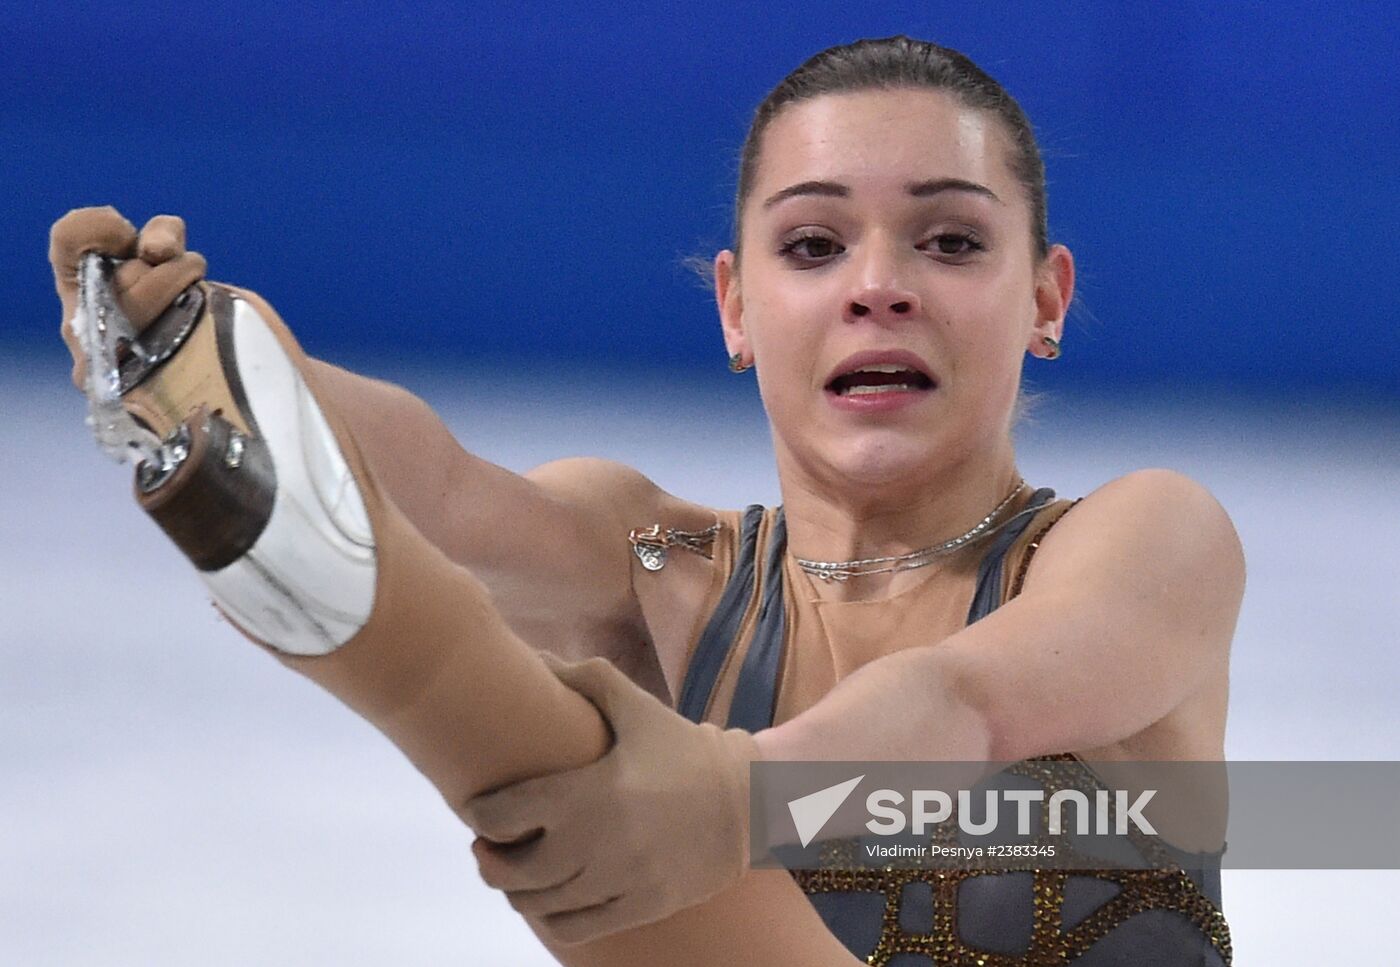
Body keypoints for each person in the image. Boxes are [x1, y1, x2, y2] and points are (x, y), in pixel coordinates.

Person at [51, 36, 1242, 967]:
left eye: (946, 240)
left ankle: (399, 648)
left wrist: (735, 797)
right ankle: (293, 494)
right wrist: (211, 348)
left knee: (557, 769)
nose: (877, 286)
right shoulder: (665, 564)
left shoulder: (1146, 540)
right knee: (550, 722)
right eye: (815, 245)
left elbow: (964, 702)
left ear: (1045, 298)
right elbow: (446, 492)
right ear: (734, 306)